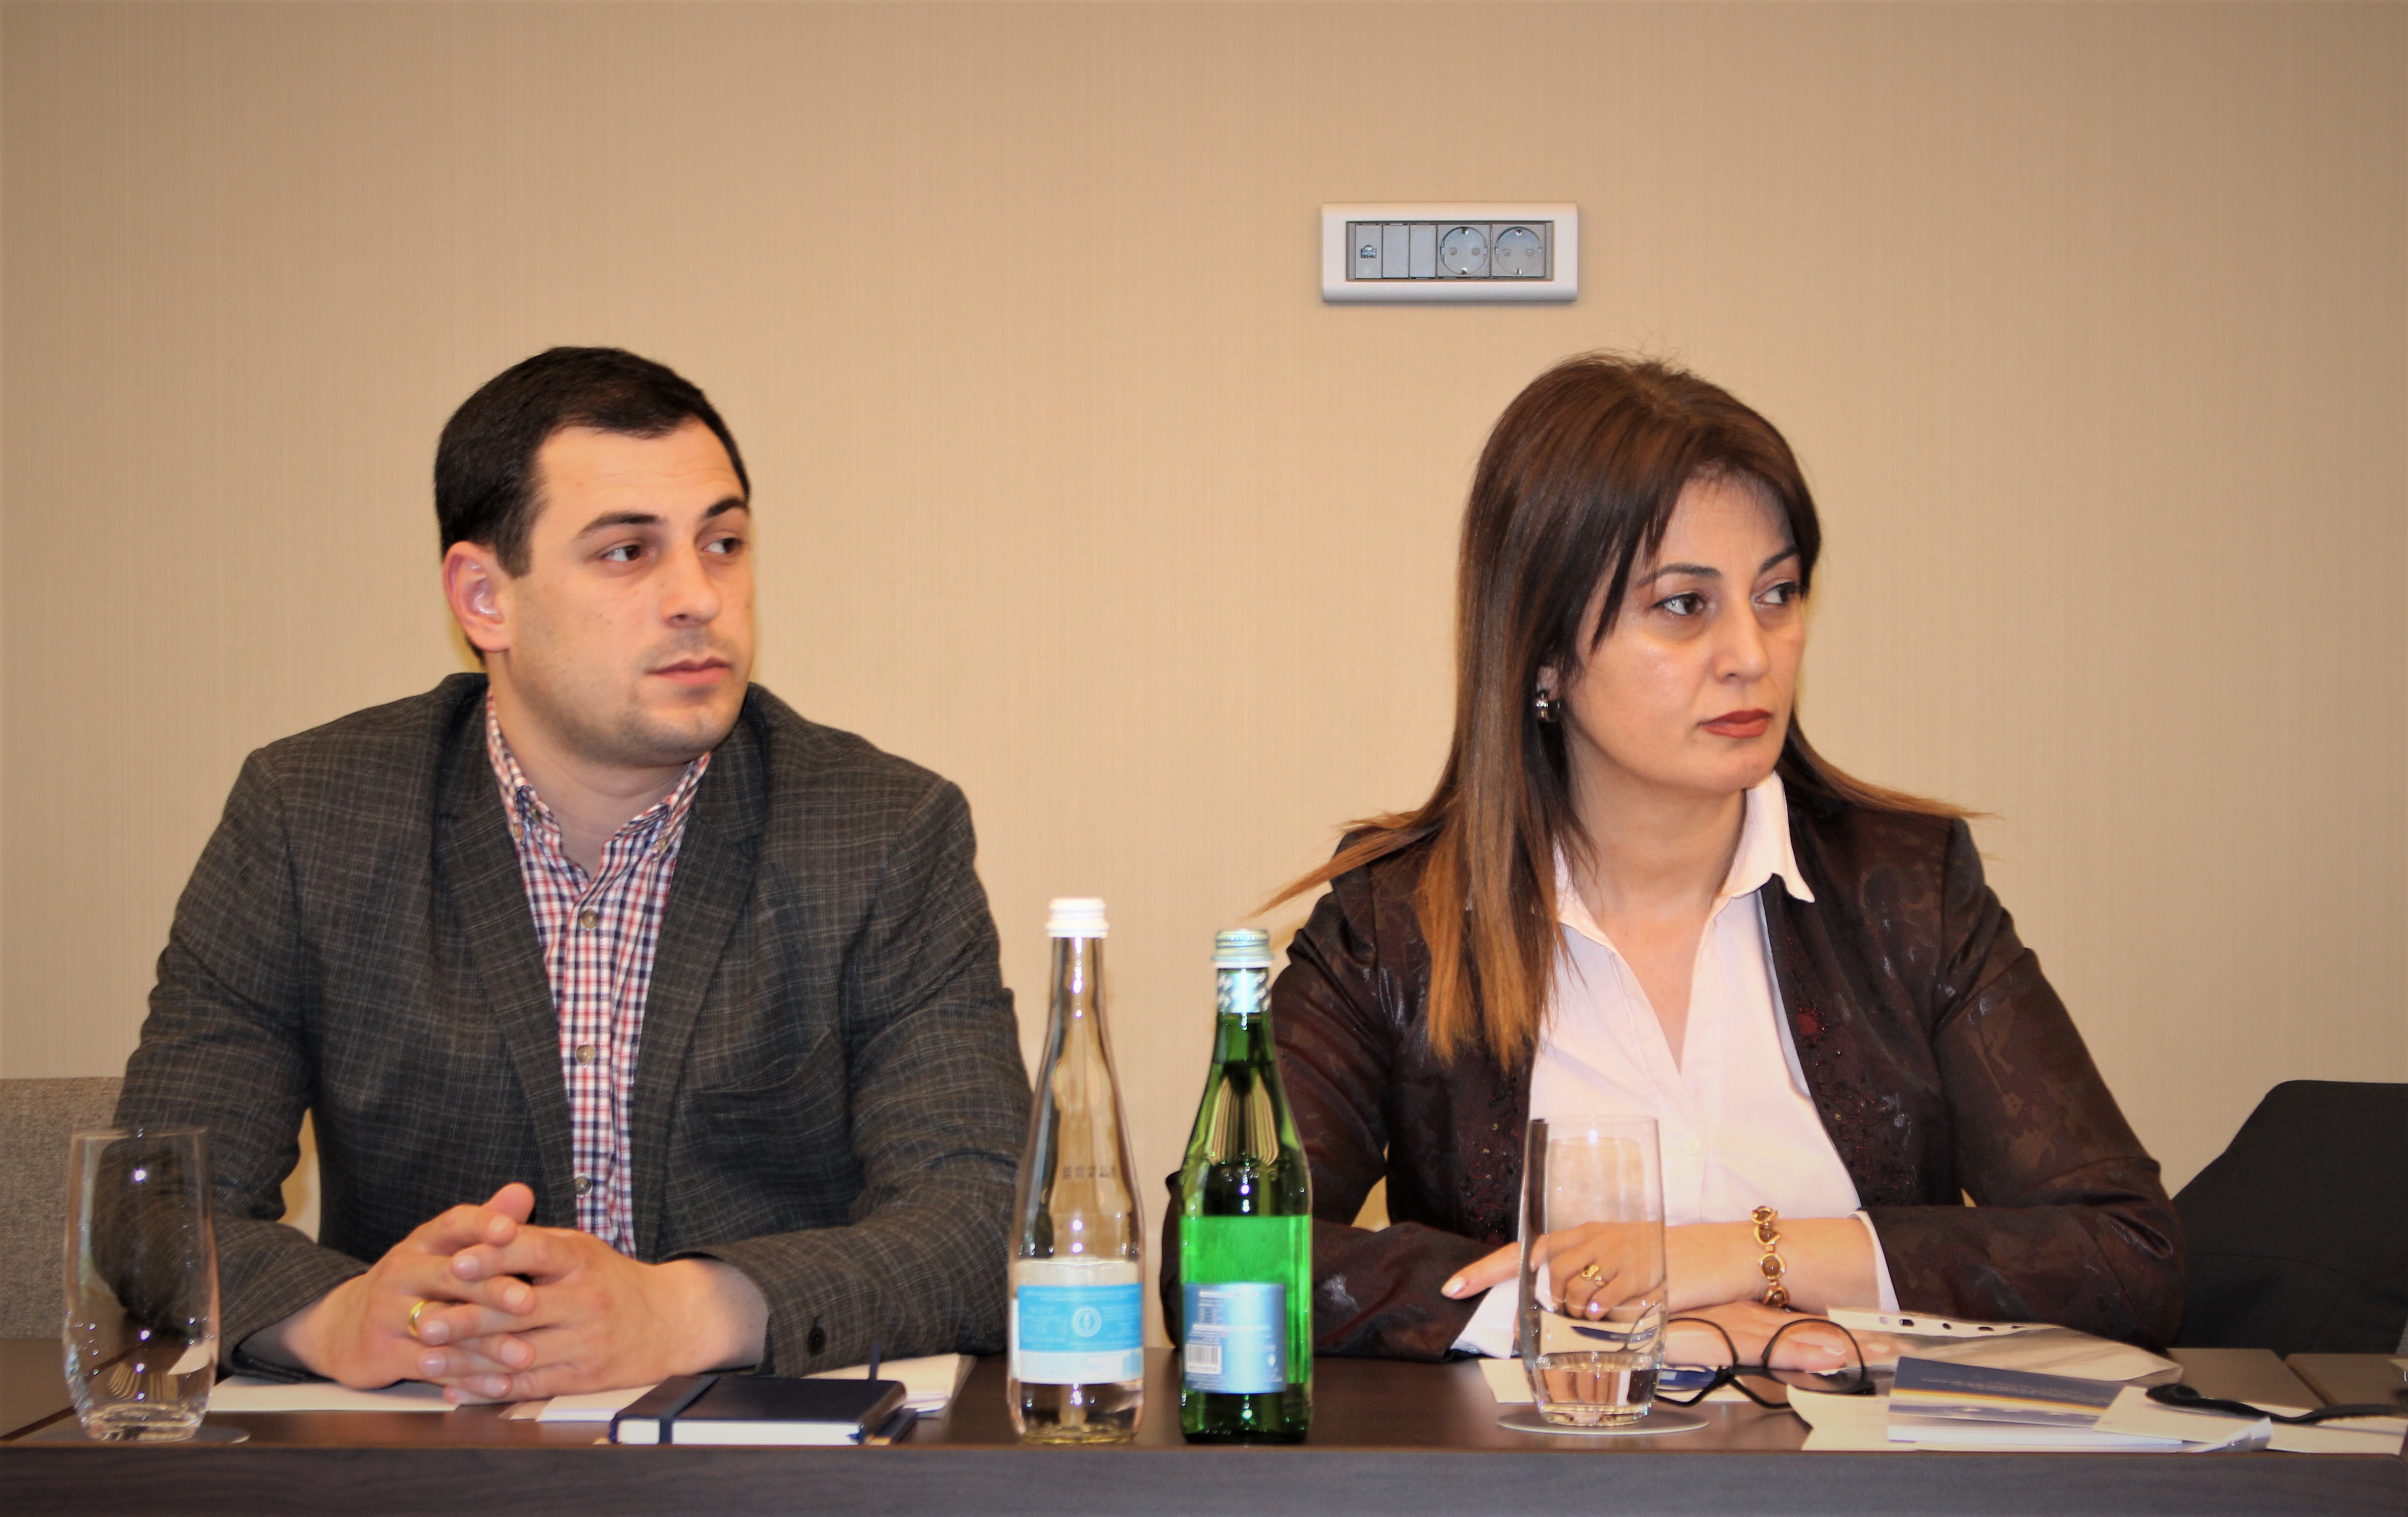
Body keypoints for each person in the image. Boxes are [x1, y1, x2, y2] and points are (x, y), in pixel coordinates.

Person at [116, 347, 1030, 1401]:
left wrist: (684, 1311)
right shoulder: (310, 818)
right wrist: (343, 1318)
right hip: (431, 1448)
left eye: (723, 543)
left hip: (764, 1463)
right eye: (627, 552)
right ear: (483, 598)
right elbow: (146, 1214)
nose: (699, 597)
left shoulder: (879, 830)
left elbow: (988, 1220)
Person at [1267, 354, 2182, 1367]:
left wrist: (1736, 1256)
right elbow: (1227, 1253)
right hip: (1555, 1454)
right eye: (1683, 605)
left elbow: (2127, 1256)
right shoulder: (1401, 922)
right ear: (1544, 654)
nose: (1753, 652)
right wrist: (1591, 1317)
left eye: (1777, 593)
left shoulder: (1906, 892)